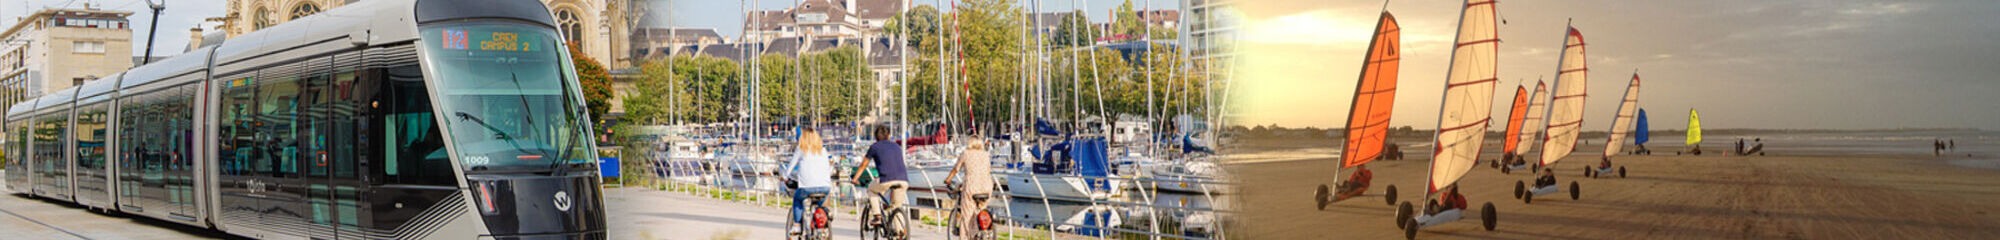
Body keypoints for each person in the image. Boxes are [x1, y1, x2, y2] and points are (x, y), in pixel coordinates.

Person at [781, 128, 834, 231]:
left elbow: (791, 166)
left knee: (797, 199)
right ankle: (821, 221)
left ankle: (796, 225)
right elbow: (829, 167)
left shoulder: (801, 149)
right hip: (825, 187)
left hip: (806, 188)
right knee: (820, 205)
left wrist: (785, 177)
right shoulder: (823, 150)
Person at [852, 125, 910, 216]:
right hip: (903, 180)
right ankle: (900, 230)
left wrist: (855, 179)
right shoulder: (896, 146)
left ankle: (877, 215)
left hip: (886, 179)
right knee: (896, 207)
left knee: (871, 190)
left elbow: (863, 165)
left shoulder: (874, 147)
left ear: (876, 137)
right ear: (889, 136)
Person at [944, 138, 993, 237]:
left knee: (967, 215)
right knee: (981, 211)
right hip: (987, 186)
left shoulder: (966, 153)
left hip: (972, 186)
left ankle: (968, 236)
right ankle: (982, 232)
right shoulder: (986, 155)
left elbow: (956, 169)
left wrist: (948, 179)